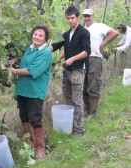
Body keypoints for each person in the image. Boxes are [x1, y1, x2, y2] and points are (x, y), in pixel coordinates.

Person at [10, 24, 53, 159]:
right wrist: (14, 61)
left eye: (41, 35)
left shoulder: (45, 53)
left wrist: (14, 71)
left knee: (35, 118)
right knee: (24, 117)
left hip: (35, 91)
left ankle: (40, 147)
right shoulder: (30, 48)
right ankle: (31, 143)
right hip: (23, 89)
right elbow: (24, 62)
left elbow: (31, 70)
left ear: (45, 38)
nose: (37, 37)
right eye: (35, 34)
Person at [50, 6, 91, 135]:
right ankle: (70, 126)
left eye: (72, 18)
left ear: (78, 17)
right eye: (68, 18)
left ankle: (79, 129)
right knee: (67, 99)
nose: (70, 21)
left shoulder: (83, 32)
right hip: (67, 70)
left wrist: (72, 59)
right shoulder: (67, 34)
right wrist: (45, 48)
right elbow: (57, 46)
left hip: (78, 70)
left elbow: (87, 51)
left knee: (77, 101)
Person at [82, 9, 118, 119]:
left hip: (95, 58)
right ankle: (87, 111)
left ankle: (93, 113)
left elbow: (115, 33)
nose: (87, 18)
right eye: (85, 16)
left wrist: (103, 43)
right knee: (83, 87)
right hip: (83, 59)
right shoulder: (82, 29)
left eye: (89, 16)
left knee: (93, 86)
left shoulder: (99, 26)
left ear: (93, 16)